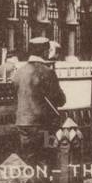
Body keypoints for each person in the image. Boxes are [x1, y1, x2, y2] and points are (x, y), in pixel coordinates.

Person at [12, 38, 66, 168]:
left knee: (28, 158)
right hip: (44, 125)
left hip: (23, 123)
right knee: (45, 157)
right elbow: (60, 100)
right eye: (48, 50)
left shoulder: (18, 72)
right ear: (44, 51)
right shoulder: (47, 72)